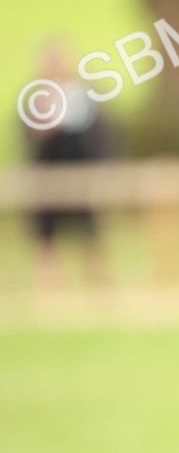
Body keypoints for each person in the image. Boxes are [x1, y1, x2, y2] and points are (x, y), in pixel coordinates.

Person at [23, 43, 112, 289]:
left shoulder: (85, 94)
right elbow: (29, 137)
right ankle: (51, 285)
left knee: (90, 228)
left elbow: (101, 135)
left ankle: (97, 282)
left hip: (82, 171)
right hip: (49, 172)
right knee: (47, 232)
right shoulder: (37, 98)